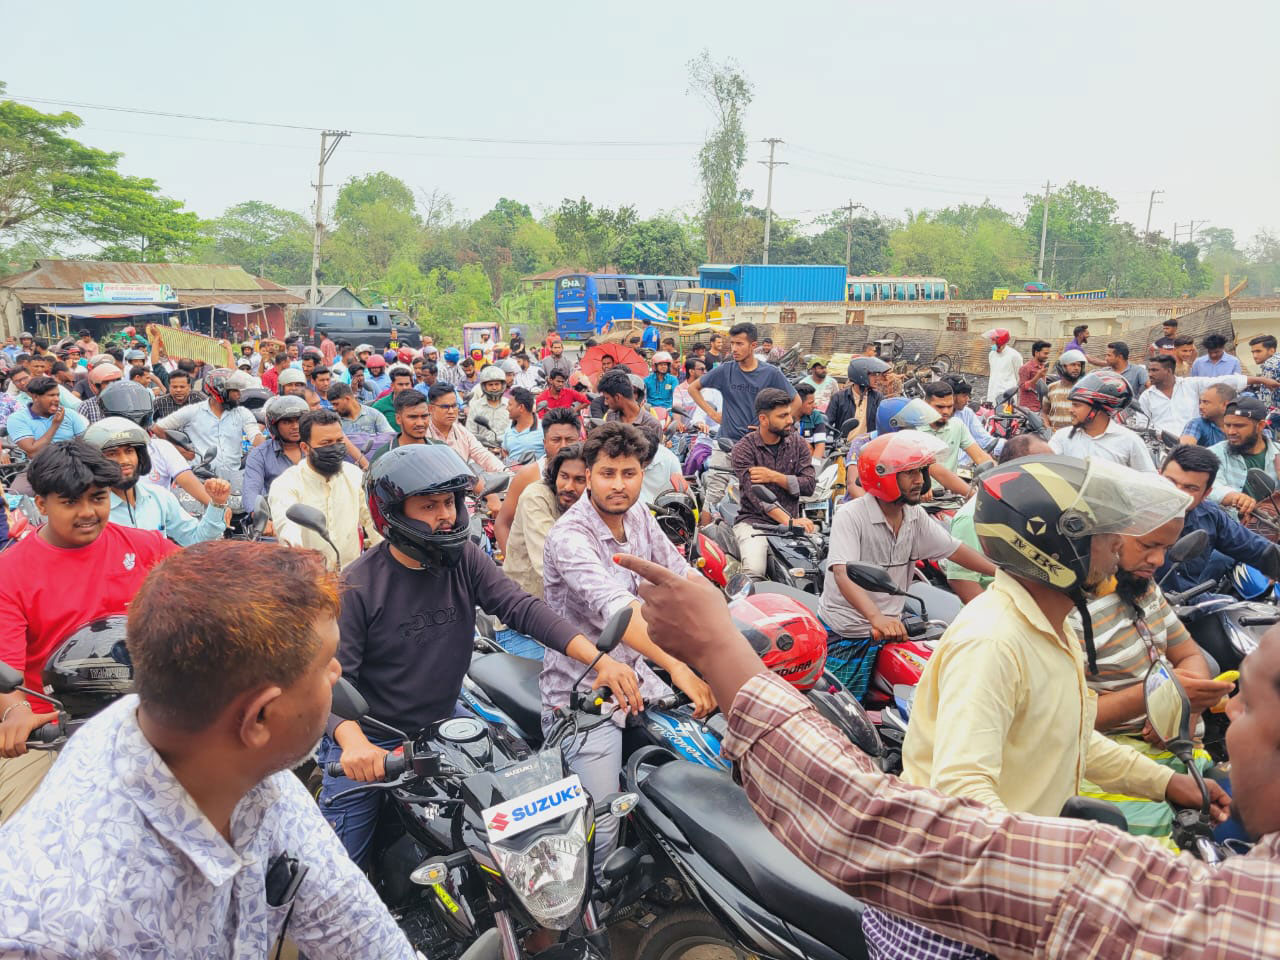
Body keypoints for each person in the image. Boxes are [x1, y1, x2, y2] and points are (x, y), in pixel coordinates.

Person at [0, 539, 416, 955]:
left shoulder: (246, 771)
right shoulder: (58, 930)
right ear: (259, 717)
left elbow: (357, 930)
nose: (337, 673)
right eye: (325, 664)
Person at [871, 454, 1214, 956]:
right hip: (955, 909)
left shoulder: (1054, 627)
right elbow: (964, 792)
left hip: (1006, 883)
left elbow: (1070, 735)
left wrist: (1165, 783)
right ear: (1058, 546)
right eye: (1105, 536)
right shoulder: (993, 641)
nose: (1119, 548)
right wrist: (1057, 866)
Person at [319, 444, 636, 865]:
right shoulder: (357, 587)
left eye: (449, 502)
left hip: (445, 722)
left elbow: (522, 608)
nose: (445, 515)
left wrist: (600, 660)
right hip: (375, 739)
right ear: (391, 514)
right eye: (429, 506)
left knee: (521, 815)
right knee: (339, 870)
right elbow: (330, 681)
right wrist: (355, 743)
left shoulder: (465, 559)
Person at [541, 422, 713, 867]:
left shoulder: (637, 517)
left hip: (641, 679)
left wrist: (727, 617)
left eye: (629, 473)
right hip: (585, 697)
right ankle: (593, 897)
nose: (619, 485)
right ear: (589, 475)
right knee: (602, 825)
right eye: (608, 473)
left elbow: (678, 576)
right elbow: (621, 609)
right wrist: (677, 666)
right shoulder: (570, 537)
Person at [0, 441, 177, 823]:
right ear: (42, 504)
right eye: (70, 503)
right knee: (19, 831)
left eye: (98, 498)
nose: (87, 513)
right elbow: (6, 669)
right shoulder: (10, 572)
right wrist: (16, 711)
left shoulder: (146, 547)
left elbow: (206, 593)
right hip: (52, 728)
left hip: (152, 714)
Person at [1074, 510, 1236, 840]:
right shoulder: (1070, 617)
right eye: (1148, 545)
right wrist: (1161, 699)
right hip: (1114, 762)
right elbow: (1069, 721)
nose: (1159, 560)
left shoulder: (1143, 587)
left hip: (1183, 753)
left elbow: (1189, 654)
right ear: (1106, 538)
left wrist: (1184, 711)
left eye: (1166, 548)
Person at [819, 432, 994, 656]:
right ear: (883, 477)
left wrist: (1002, 572)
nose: (920, 480)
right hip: (848, 632)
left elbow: (954, 550)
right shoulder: (851, 516)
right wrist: (876, 618)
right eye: (910, 473)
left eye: (921, 471)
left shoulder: (914, 515)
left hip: (892, 627)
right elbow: (842, 573)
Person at [1159, 440, 1280, 606]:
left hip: (1187, 604)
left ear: (1206, 493)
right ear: (1158, 475)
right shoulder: (1131, 513)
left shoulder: (1210, 516)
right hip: (1139, 605)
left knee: (1239, 612)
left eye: (1190, 488)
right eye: (1170, 482)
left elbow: (1258, 549)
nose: (1177, 492)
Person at [688, 323, 798, 504]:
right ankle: (705, 522)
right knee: (712, 497)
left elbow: (796, 401)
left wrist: (772, 426)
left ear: (753, 345)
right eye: (732, 343)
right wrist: (712, 414)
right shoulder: (725, 370)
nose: (734, 349)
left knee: (755, 499)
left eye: (739, 344)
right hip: (725, 443)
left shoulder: (770, 373)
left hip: (757, 447)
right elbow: (693, 388)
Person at [85, 417, 230, 545]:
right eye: (112, 453)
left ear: (140, 456)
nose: (124, 460)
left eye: (129, 451)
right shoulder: (89, 510)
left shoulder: (159, 498)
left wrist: (217, 504)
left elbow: (196, 539)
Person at [945, 434, 1052, 602]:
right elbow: (963, 582)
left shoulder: (1035, 507)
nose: (1052, 474)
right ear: (1015, 470)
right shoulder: (973, 516)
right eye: (1044, 468)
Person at [269, 409, 381, 569]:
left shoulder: (354, 475)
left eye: (339, 441)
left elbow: (374, 522)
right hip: (310, 576)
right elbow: (288, 533)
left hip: (353, 575)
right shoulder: (286, 484)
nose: (335, 448)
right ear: (305, 448)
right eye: (326, 443)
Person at [731, 389, 817, 578]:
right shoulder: (744, 449)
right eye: (782, 416)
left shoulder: (798, 443)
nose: (790, 420)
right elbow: (759, 499)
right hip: (755, 524)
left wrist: (775, 477)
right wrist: (790, 521)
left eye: (789, 414)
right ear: (763, 419)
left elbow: (810, 485)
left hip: (793, 526)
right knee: (754, 570)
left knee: (820, 566)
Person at [504, 443, 587, 606]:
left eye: (579, 480)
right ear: (555, 475)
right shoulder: (536, 497)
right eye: (564, 476)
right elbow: (550, 563)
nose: (568, 487)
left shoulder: (591, 502)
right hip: (525, 609)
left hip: (570, 608)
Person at [493, 407, 582, 551]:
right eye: (556, 440)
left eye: (570, 440)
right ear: (544, 442)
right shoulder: (529, 475)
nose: (563, 446)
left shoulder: (588, 473)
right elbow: (502, 524)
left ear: (580, 440)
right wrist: (512, 560)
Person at [155, 369, 263, 473]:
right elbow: (156, 428)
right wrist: (180, 450)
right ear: (220, 391)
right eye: (235, 390)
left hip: (234, 476)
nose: (239, 394)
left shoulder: (243, 413)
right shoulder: (193, 411)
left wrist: (268, 446)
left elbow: (255, 437)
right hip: (200, 475)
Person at [1138, 352, 1269, 436]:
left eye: (1154, 370)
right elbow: (1141, 424)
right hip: (1161, 448)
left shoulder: (1191, 384)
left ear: (1168, 371)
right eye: (1149, 370)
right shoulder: (1146, 396)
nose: (1150, 374)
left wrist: (1261, 380)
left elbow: (1222, 381)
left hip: (1196, 442)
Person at [1050, 372, 1155, 471]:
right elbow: (1047, 467)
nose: (1070, 410)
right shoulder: (1062, 437)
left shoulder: (1129, 441)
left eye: (1076, 405)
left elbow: (1149, 478)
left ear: (1098, 409)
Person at [1207, 396, 1280, 508]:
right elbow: (1211, 486)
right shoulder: (1213, 454)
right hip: (1230, 518)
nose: (1231, 432)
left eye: (1239, 426)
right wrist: (1236, 498)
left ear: (1260, 426)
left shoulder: (1277, 453)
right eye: (1227, 425)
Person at [243, 394, 309, 513]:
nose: (295, 426)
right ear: (274, 426)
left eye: (299, 420)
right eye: (287, 422)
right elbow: (251, 491)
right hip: (277, 516)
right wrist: (257, 515)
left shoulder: (316, 448)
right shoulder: (260, 455)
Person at [424, 383, 504, 474]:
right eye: (445, 407)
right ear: (430, 409)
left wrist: (505, 471)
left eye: (454, 406)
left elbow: (484, 456)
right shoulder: (422, 433)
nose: (451, 411)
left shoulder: (462, 433)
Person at [6, 376, 88, 457]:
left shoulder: (69, 414)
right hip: (40, 464)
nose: (57, 399)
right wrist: (55, 425)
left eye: (58, 395)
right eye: (51, 395)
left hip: (72, 461)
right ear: (35, 397)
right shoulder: (18, 419)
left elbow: (85, 443)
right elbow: (33, 452)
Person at [921, 380, 993, 473]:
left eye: (949, 406)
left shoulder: (957, 425)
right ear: (925, 405)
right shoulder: (914, 429)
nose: (946, 412)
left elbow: (980, 457)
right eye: (940, 407)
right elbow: (935, 471)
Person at [945, 376, 1002, 462]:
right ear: (951, 397)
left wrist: (1010, 446)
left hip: (967, 466)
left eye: (968, 395)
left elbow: (984, 439)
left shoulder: (967, 413)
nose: (967, 399)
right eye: (964, 396)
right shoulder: (932, 420)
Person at [600, 369, 661, 436]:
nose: (605, 403)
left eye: (607, 398)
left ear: (617, 397)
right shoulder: (611, 416)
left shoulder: (652, 424)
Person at [1041, 347, 1087, 431]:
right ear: (1063, 367)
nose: (1077, 368)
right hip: (1055, 435)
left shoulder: (1084, 389)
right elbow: (1044, 413)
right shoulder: (1051, 387)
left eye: (1079, 365)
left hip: (1076, 435)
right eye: (1073, 364)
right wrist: (1048, 428)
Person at [329, 381, 394, 437]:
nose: (334, 408)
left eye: (336, 404)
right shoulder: (334, 422)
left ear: (347, 399)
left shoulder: (374, 415)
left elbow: (389, 437)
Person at [1180, 381, 1235, 446]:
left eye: (1206, 402)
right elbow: (1184, 449)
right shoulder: (1196, 424)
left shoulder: (1240, 424)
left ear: (1225, 405)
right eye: (1200, 402)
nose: (1200, 407)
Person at [466, 365, 511, 439]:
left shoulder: (509, 405)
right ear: (484, 386)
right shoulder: (475, 406)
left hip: (506, 445)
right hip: (482, 445)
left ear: (502, 385)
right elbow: (471, 433)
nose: (494, 388)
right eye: (490, 385)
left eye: (497, 384)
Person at [368, 365, 413, 433]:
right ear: (392, 386)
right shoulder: (379, 407)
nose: (404, 388)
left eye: (407, 384)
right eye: (400, 384)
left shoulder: (419, 403)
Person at [503, 387, 544, 461]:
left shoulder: (544, 429)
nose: (507, 408)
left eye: (510, 405)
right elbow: (505, 452)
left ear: (521, 407)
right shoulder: (509, 429)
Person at [983, 328, 1022, 402]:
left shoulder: (1014, 355)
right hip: (993, 391)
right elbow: (993, 373)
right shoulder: (992, 354)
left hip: (1007, 393)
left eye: (993, 340)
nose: (991, 343)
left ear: (1000, 342)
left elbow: (1019, 376)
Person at [794, 382, 827, 459]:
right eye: (810, 403)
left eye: (814, 402)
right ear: (798, 403)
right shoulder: (787, 419)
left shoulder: (815, 416)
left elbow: (820, 446)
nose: (814, 406)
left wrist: (815, 464)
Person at [1016, 340, 1051, 411]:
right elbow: (1022, 387)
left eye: (1048, 354)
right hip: (1028, 409)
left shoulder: (1042, 367)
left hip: (1040, 407)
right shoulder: (1025, 368)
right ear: (1036, 353)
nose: (1047, 356)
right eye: (1045, 353)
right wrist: (1037, 377)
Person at [1250, 333, 1280, 413]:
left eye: (1258, 351)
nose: (1254, 356)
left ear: (1271, 351)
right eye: (1253, 352)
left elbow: (1266, 399)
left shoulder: (1270, 364)